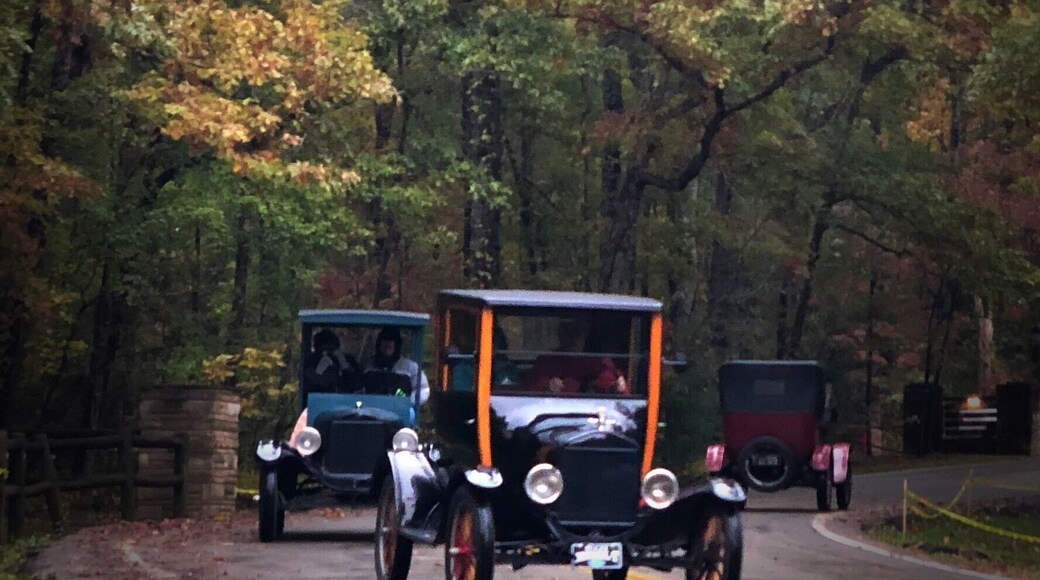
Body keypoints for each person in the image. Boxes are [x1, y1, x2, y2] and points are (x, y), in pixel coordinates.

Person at [524, 318, 627, 394]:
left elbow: (620, 390)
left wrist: (617, 388)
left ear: (585, 334)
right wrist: (547, 388)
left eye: (578, 332)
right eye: (568, 332)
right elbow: (529, 393)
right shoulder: (547, 361)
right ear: (560, 334)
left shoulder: (601, 362)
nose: (574, 337)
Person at [365, 326, 430, 405]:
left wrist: (407, 403)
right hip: (371, 411)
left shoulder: (410, 367)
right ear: (379, 345)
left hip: (400, 413)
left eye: (390, 344)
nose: (387, 347)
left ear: (397, 345)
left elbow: (423, 389)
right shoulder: (368, 365)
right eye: (384, 343)